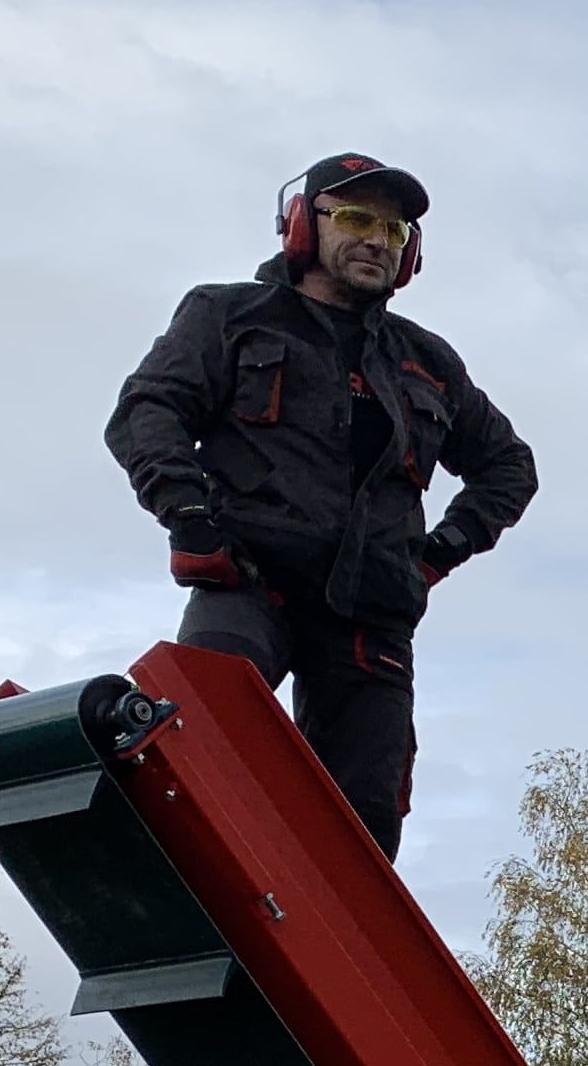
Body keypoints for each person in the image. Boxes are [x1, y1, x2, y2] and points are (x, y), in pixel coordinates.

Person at [105, 153, 537, 856]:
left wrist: (438, 554)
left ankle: (330, 957)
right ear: (303, 225)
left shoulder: (426, 361)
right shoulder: (228, 316)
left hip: (372, 617)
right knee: (192, 741)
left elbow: (508, 467)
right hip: (247, 581)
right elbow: (147, 412)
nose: (376, 239)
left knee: (363, 823)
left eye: (395, 231)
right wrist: (187, 516)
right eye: (358, 218)